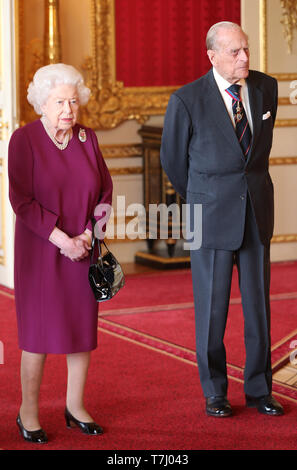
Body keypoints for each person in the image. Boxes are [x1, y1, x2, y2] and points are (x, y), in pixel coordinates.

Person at [160, 22, 284, 418]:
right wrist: (202, 199)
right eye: (235, 52)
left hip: (256, 213)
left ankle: (260, 390)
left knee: (259, 309)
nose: (244, 58)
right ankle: (215, 392)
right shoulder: (186, 100)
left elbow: (255, 157)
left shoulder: (267, 88)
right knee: (212, 311)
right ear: (212, 56)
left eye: (246, 49)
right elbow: (174, 163)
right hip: (208, 214)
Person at [8, 63, 113, 443]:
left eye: (73, 101)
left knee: (80, 328)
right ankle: (29, 412)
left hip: (82, 250)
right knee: (38, 332)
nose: (68, 109)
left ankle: (75, 406)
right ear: (42, 103)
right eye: (59, 102)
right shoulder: (25, 140)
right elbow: (21, 200)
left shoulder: (88, 139)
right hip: (42, 252)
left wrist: (86, 234)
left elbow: (104, 192)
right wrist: (63, 240)